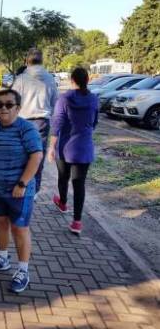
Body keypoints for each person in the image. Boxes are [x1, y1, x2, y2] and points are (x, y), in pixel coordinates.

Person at [0, 89, 43, 293]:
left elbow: (36, 157)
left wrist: (22, 184)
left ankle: (23, 270)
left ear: (18, 107)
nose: (3, 108)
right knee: (0, 224)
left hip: (20, 191)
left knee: (20, 229)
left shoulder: (27, 129)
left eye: (9, 104)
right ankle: (2, 258)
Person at [48, 67, 99, 234]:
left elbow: (57, 123)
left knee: (63, 177)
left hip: (65, 147)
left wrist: (51, 147)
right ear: (88, 80)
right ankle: (77, 222)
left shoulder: (64, 98)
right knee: (79, 185)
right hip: (84, 148)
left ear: (71, 80)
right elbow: (94, 122)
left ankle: (62, 203)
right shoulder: (93, 99)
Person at [12, 48, 58, 196]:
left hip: (21, 122)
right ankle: (34, 192)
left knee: (19, 156)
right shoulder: (50, 79)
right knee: (37, 158)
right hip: (41, 123)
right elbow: (54, 102)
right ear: (42, 61)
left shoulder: (21, 79)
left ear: (27, 61)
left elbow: (12, 100)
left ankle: (19, 187)